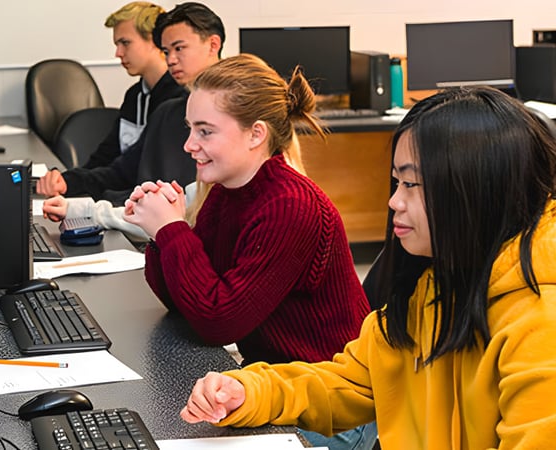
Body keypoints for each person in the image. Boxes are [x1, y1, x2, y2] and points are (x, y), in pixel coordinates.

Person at [177, 87, 556, 449]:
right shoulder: (437, 284)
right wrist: (248, 391)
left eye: (414, 185)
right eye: (397, 182)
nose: (394, 202)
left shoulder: (550, 322)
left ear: (476, 192)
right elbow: (352, 382)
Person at [122, 54, 377, 449]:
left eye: (205, 131)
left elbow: (220, 322)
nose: (190, 145)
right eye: (190, 129)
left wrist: (172, 230)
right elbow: (183, 301)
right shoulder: (227, 192)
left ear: (256, 134)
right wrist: (159, 234)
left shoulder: (291, 205)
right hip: (272, 386)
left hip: (333, 411)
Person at [37, 2, 222, 207]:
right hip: (145, 215)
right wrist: (70, 183)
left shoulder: (226, 111)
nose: (171, 59)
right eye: (167, 51)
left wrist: (98, 208)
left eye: (178, 48)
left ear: (213, 45)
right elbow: (123, 169)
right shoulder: (165, 110)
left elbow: (179, 196)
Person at [89, 2, 186, 169]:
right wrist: (65, 181)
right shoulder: (134, 96)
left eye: (125, 43)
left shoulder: (179, 100)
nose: (118, 53)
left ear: (155, 40)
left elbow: (134, 169)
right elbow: (106, 155)